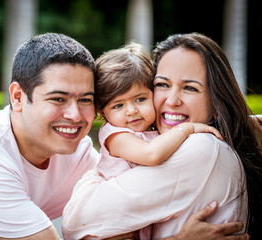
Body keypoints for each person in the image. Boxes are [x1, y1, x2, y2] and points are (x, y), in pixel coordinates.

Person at [0, 32, 248, 240]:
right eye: (58, 99)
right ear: (18, 97)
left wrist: (235, 119)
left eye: (85, 100)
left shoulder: (81, 154)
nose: (75, 115)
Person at [62, 33, 262, 239]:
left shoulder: (202, 147)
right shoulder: (185, 138)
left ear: (217, 103)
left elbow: (76, 221)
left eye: (190, 88)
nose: (172, 100)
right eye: (163, 85)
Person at [94, 42, 222, 181]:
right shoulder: (115, 136)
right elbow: (151, 154)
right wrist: (186, 129)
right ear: (103, 113)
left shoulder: (154, 129)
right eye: (118, 106)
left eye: (140, 99)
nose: (131, 111)